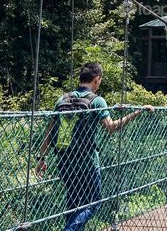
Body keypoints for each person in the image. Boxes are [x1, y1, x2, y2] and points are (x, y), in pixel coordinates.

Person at [36, 62, 154, 231]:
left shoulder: (62, 99)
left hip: (65, 162)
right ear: (97, 79)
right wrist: (137, 112)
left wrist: (41, 158)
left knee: (73, 205)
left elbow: (48, 133)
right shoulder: (97, 101)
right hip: (88, 164)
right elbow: (111, 127)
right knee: (94, 203)